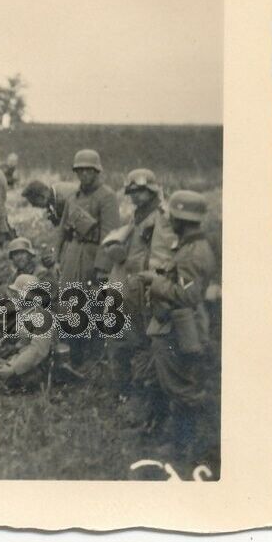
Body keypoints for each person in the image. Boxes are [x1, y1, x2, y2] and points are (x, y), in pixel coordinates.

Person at [137, 190, 217, 461]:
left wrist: (154, 281)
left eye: (173, 214)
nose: (169, 218)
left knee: (183, 387)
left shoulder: (193, 252)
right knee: (168, 381)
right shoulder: (187, 246)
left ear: (180, 217)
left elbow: (189, 295)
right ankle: (170, 435)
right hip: (172, 324)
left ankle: (185, 445)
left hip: (181, 328)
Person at [102, 168, 177, 396]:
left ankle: (143, 393)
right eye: (132, 191)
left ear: (152, 190)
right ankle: (123, 389)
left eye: (140, 191)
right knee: (120, 336)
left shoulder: (161, 218)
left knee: (143, 342)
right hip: (127, 285)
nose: (135, 195)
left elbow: (162, 257)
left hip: (145, 288)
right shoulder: (137, 216)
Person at [56, 149, 120, 364]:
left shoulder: (107, 197)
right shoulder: (72, 197)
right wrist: (57, 255)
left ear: (97, 171)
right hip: (72, 252)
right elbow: (62, 229)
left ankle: (90, 358)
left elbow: (110, 234)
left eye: (88, 170)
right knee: (68, 302)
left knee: (91, 303)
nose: (83, 174)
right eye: (79, 170)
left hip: (93, 254)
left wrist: (102, 268)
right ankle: (70, 355)